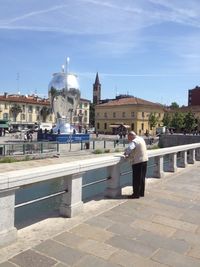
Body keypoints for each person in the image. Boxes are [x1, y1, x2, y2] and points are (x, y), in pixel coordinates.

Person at [124, 131, 148, 199]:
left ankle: (135, 194)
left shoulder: (134, 141)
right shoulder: (141, 139)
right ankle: (141, 193)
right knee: (142, 178)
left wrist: (125, 153)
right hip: (145, 160)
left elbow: (130, 148)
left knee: (136, 179)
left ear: (131, 136)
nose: (128, 139)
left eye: (128, 138)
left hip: (138, 162)